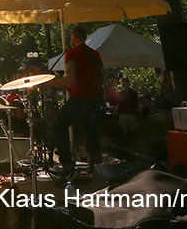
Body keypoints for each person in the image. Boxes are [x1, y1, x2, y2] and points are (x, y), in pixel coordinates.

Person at [46, 24, 104, 176]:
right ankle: (97, 168)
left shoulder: (72, 52)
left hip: (81, 98)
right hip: (95, 98)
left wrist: (51, 82)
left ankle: (67, 164)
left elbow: (70, 78)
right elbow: (101, 77)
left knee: (58, 125)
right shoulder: (95, 54)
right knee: (92, 132)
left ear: (73, 37)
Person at [116, 78, 140, 142]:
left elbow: (136, 103)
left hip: (130, 114)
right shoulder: (124, 93)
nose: (124, 84)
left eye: (124, 83)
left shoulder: (132, 93)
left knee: (132, 131)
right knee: (127, 132)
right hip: (125, 114)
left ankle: (133, 143)